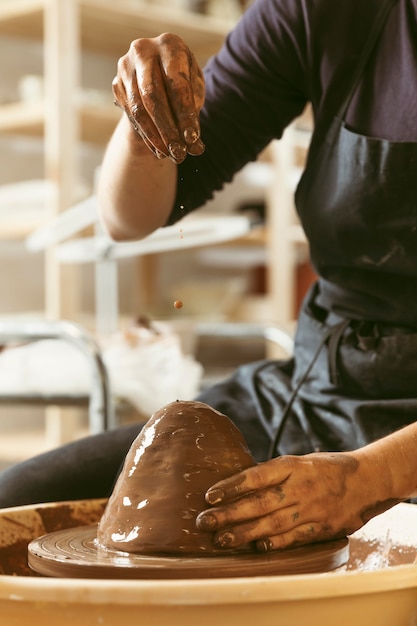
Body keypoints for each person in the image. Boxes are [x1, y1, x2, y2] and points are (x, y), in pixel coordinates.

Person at [1, 0, 417, 553]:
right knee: (17, 505)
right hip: (324, 386)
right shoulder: (327, 11)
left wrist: (373, 476)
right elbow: (130, 217)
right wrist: (147, 117)